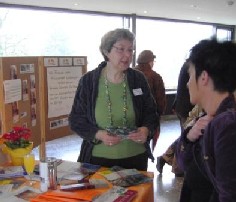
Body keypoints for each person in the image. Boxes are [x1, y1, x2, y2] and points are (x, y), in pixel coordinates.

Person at [69, 28, 159, 171]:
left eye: (130, 50)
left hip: (136, 158)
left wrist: (146, 129)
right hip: (99, 160)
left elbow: (151, 113)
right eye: (121, 49)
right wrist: (98, 134)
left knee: (136, 194)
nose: (127, 55)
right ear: (106, 51)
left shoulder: (138, 79)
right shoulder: (89, 81)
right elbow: (76, 120)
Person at [176, 39, 236, 201]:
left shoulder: (227, 125)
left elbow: (229, 194)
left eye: (190, 75)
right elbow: (183, 163)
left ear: (203, 77)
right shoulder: (207, 118)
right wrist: (188, 137)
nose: (187, 84)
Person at [156, 61, 194, 176]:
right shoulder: (194, 65)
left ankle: (166, 159)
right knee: (186, 137)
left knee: (185, 136)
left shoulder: (188, 64)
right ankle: (177, 168)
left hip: (183, 106)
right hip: (188, 108)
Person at [134, 50, 166, 151]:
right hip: (149, 118)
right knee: (146, 142)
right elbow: (160, 100)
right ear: (149, 62)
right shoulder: (155, 77)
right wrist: (158, 115)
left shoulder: (129, 74)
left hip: (131, 117)